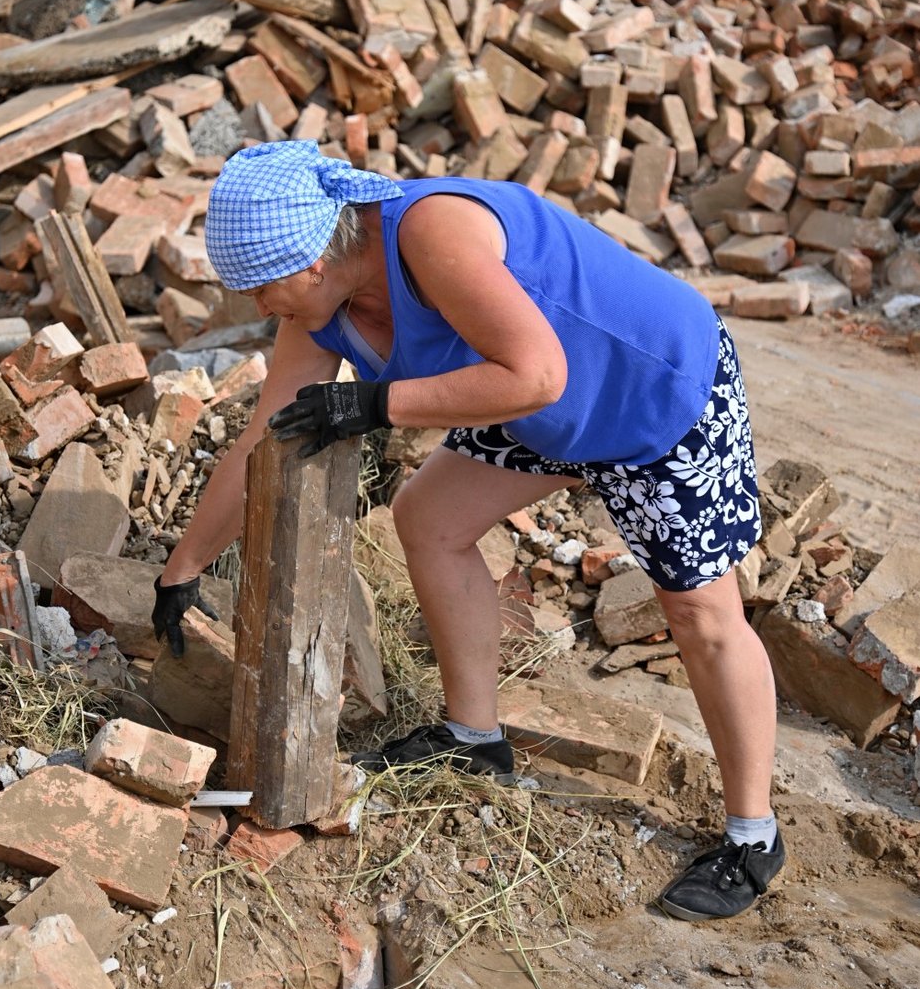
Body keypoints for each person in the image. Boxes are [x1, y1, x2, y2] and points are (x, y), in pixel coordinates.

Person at [152, 139, 784, 924]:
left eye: (260, 287)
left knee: (700, 616)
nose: (256, 308)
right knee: (431, 519)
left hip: (652, 393)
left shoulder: (431, 233)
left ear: (312, 259)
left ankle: (753, 837)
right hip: (534, 408)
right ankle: (473, 736)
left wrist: (374, 405)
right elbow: (261, 437)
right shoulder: (317, 313)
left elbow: (540, 371)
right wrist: (183, 567)